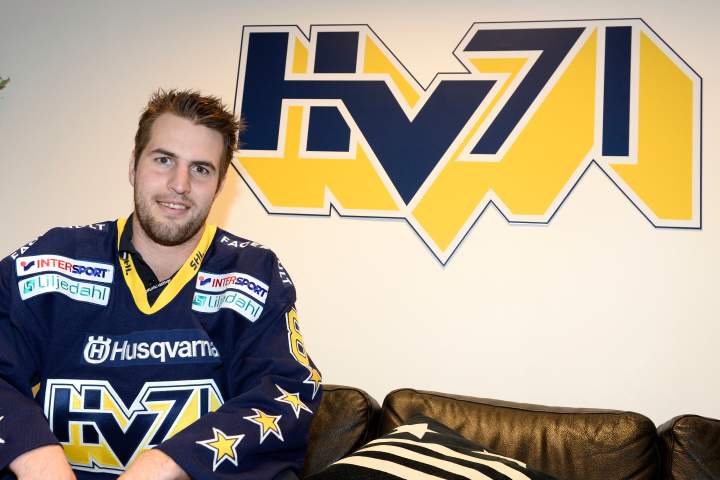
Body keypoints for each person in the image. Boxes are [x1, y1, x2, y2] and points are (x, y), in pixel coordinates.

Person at [0, 89, 322, 480]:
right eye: (164, 160)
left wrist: (165, 464)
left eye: (200, 169)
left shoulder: (253, 273)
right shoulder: (54, 261)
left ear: (220, 185)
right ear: (133, 166)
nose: (179, 184)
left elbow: (287, 392)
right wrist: (36, 459)